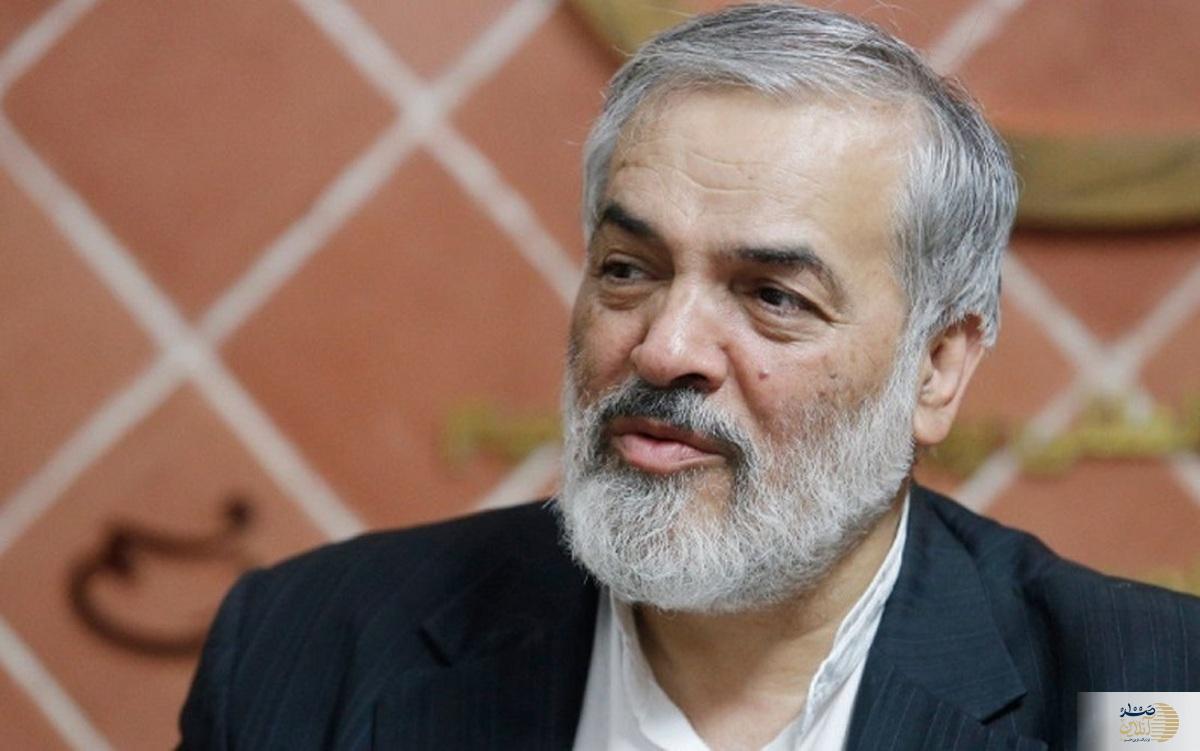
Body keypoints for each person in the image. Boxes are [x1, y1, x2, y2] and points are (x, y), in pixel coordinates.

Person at [178, 4, 1200, 750]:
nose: (665, 349)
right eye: (630, 270)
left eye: (773, 296)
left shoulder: (1146, 690)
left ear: (936, 368)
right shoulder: (307, 648)